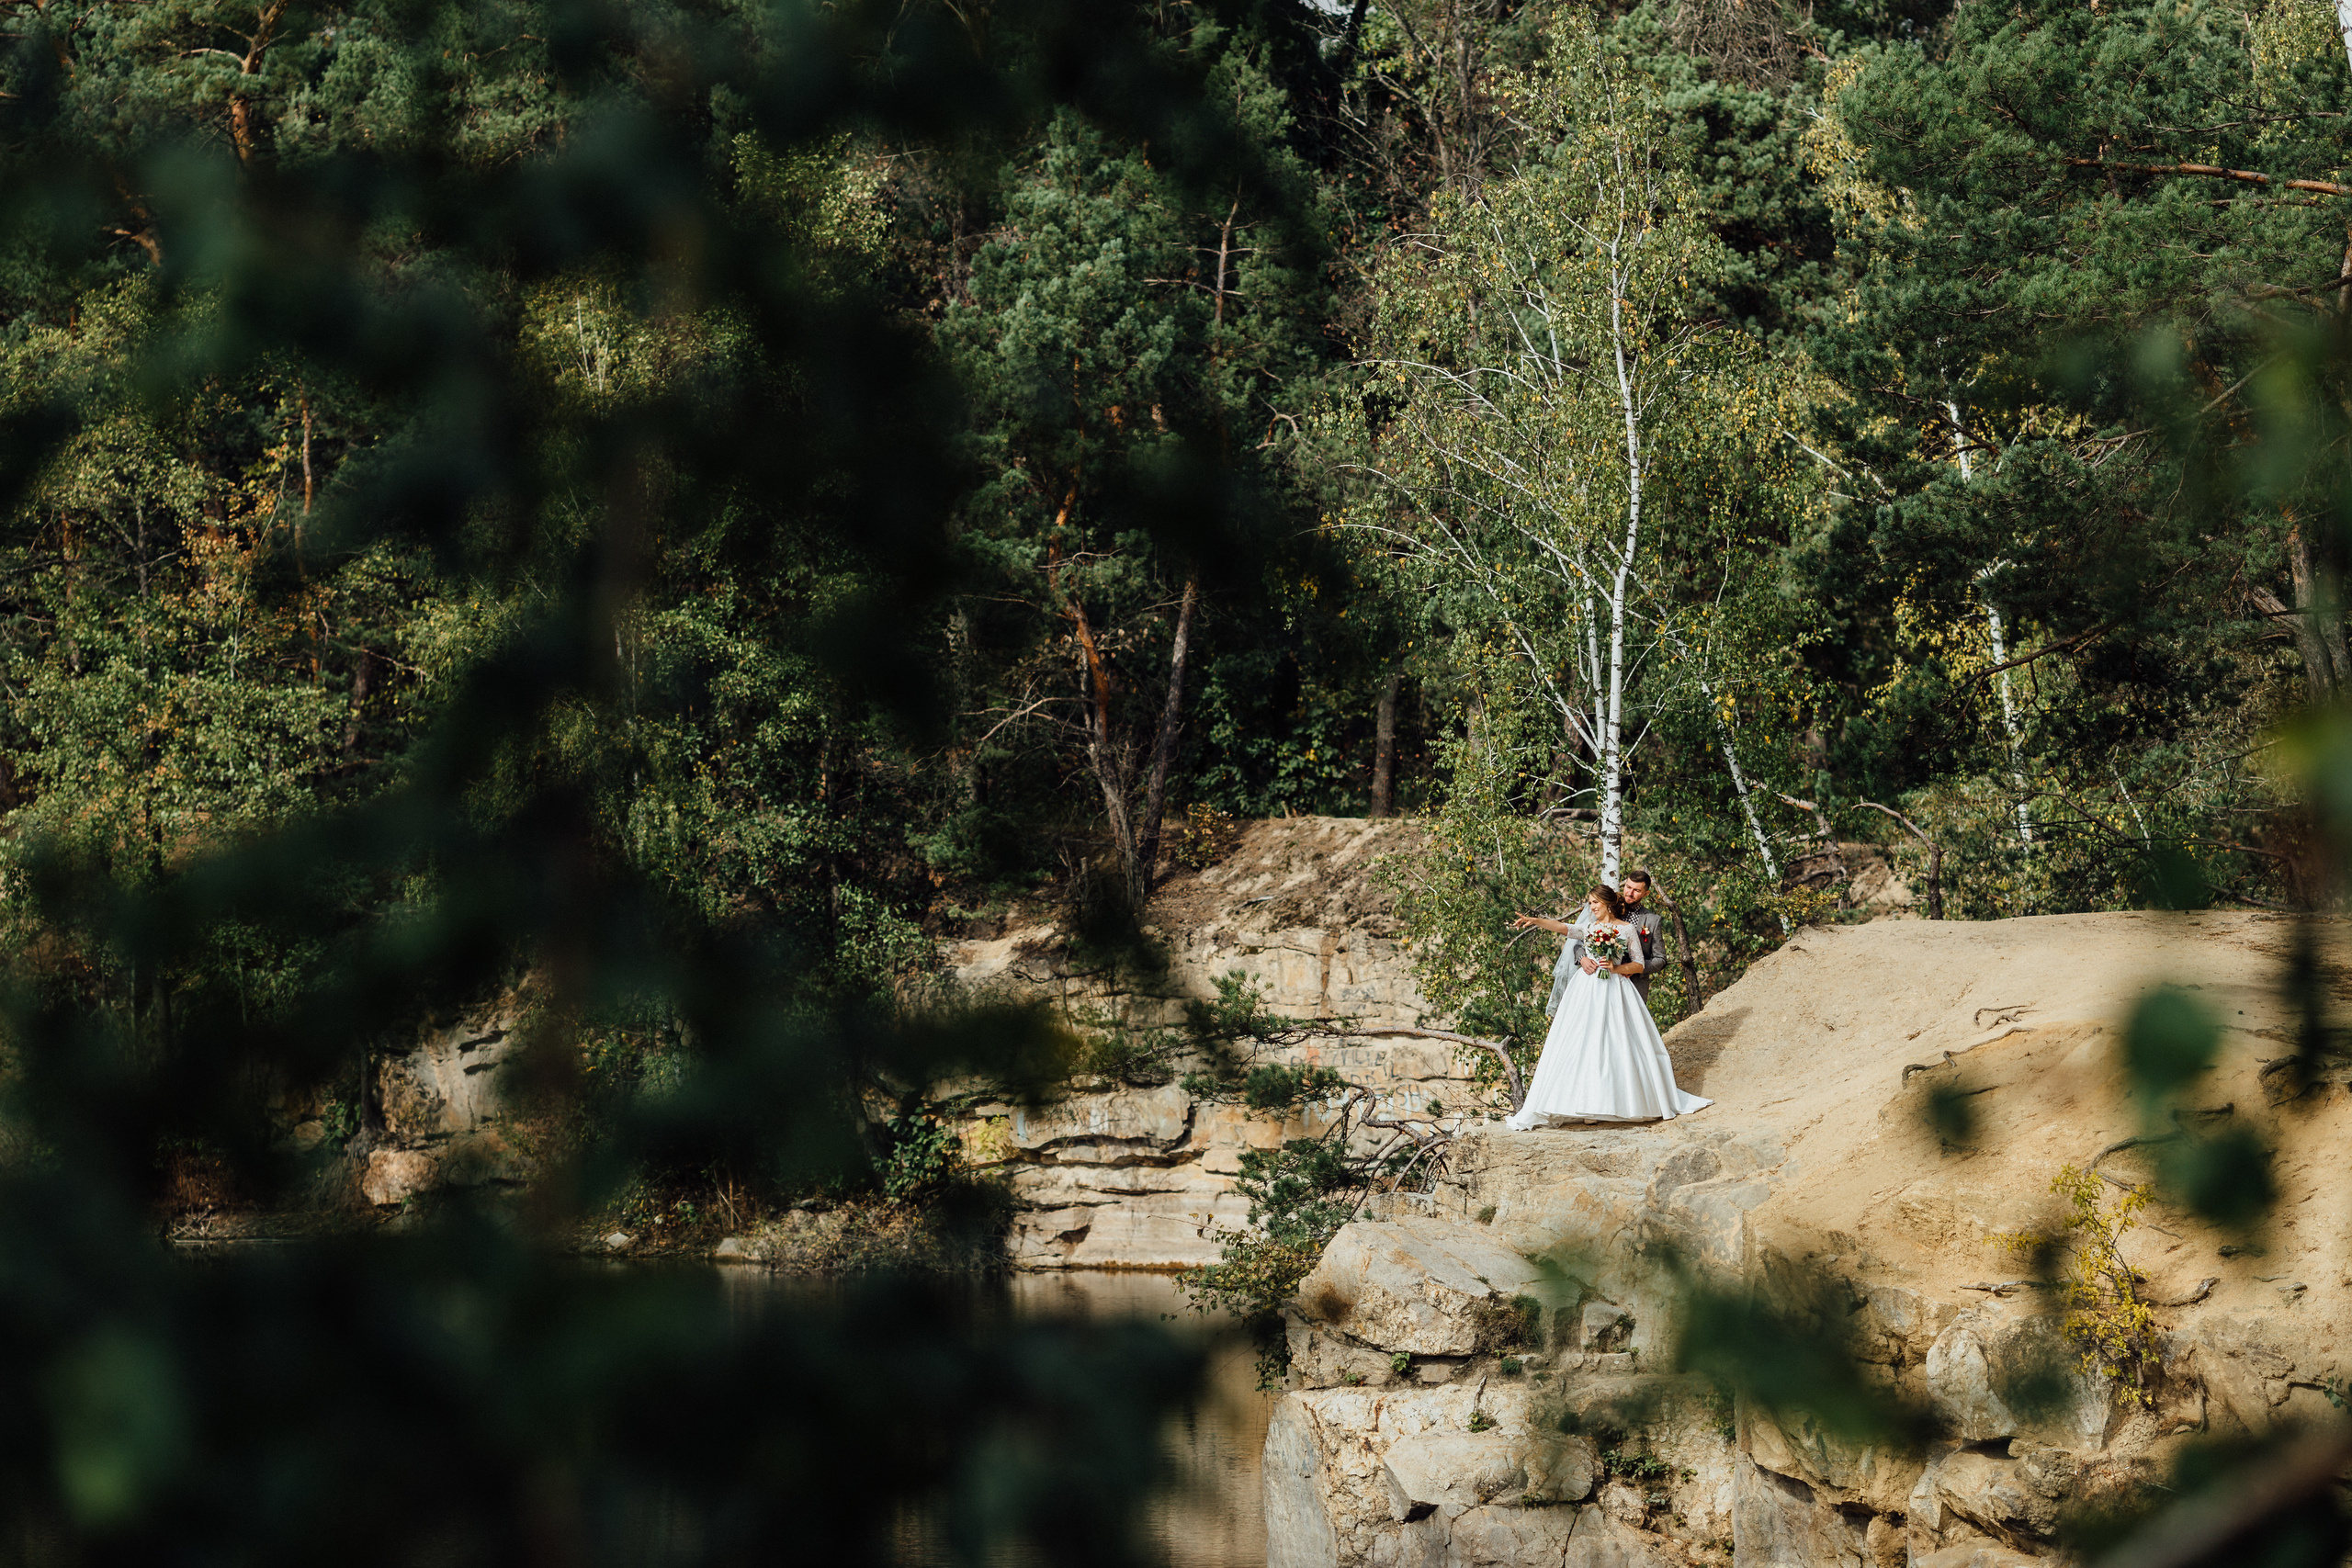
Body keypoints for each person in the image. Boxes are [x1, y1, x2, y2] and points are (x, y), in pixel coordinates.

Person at [1502, 884, 1710, 1128]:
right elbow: (1564, 928)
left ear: (1608, 904)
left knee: (1616, 1042)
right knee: (1583, 1042)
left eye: (1595, 903)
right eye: (1590, 903)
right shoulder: (1590, 928)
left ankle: (1619, 1102)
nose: (1592, 908)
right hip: (1586, 990)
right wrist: (1535, 920)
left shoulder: (1627, 929)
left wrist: (1616, 968)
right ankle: (1586, 1104)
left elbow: (1639, 965)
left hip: (1616, 990)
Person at [1574, 868, 1666, 1005]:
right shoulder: (1606, 906)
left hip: (1634, 983)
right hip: (1600, 982)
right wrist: (1582, 958)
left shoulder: (1652, 920)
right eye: (1628, 887)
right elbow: (1580, 942)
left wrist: (1632, 968)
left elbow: (1661, 959)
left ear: (1646, 893)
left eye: (1637, 890)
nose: (1630, 893)